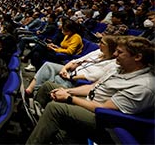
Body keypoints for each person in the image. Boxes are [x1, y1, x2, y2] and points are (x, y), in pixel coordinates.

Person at [26, 36, 155, 144]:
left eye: (120, 52)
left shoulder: (143, 86)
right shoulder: (119, 68)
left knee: (55, 108)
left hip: (104, 120)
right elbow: (93, 87)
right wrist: (68, 92)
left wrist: (69, 98)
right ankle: (41, 124)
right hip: (91, 102)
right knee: (49, 86)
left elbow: (104, 108)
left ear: (137, 57)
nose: (115, 55)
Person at [25, 36, 118, 95]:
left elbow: (93, 76)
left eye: (102, 43)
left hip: (77, 79)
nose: (99, 44)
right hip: (72, 71)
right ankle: (31, 89)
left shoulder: (112, 63)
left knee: (56, 79)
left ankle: (36, 93)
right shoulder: (98, 52)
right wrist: (65, 68)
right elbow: (77, 60)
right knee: (48, 65)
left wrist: (71, 77)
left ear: (110, 47)